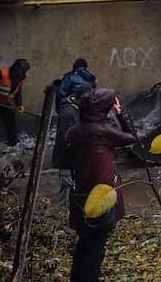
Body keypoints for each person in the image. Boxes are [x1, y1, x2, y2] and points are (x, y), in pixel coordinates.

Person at [67, 87, 136, 282]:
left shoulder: (74, 132)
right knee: (96, 247)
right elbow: (132, 137)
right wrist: (121, 114)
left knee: (84, 242)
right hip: (100, 197)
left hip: (80, 195)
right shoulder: (103, 132)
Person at [53, 60, 98, 201]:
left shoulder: (79, 107)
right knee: (67, 191)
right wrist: (64, 169)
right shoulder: (69, 114)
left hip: (78, 160)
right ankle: (61, 213)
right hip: (69, 162)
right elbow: (63, 141)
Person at [0, 58, 29, 145]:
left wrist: (19, 104)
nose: (18, 75)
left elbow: (18, 92)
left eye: (21, 72)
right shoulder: (1, 74)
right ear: (13, 69)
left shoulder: (21, 78)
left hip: (2, 101)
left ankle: (12, 141)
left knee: (10, 116)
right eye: (17, 72)